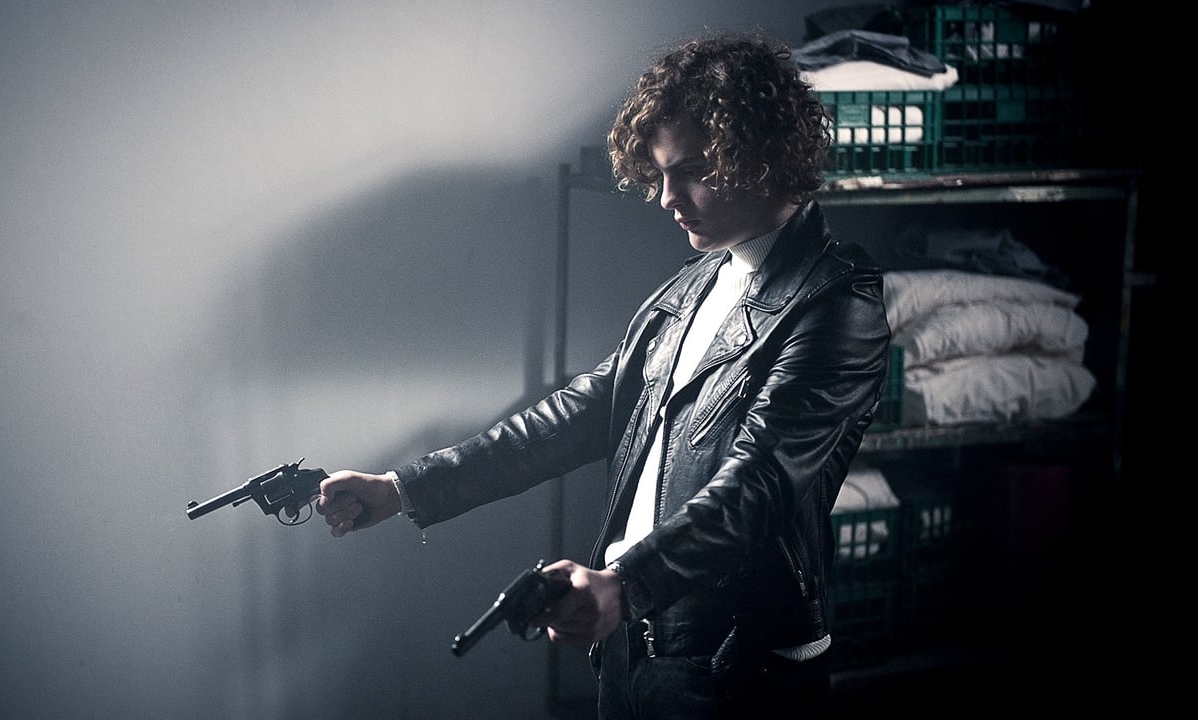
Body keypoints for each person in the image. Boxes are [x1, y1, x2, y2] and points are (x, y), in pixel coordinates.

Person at [312, 32, 890, 719]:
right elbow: (579, 415)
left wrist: (625, 584)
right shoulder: (698, 282)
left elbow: (758, 483)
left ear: (761, 156)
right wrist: (403, 488)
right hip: (634, 647)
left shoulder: (837, 303)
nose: (667, 197)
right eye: (661, 173)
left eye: (692, 171)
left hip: (740, 667)